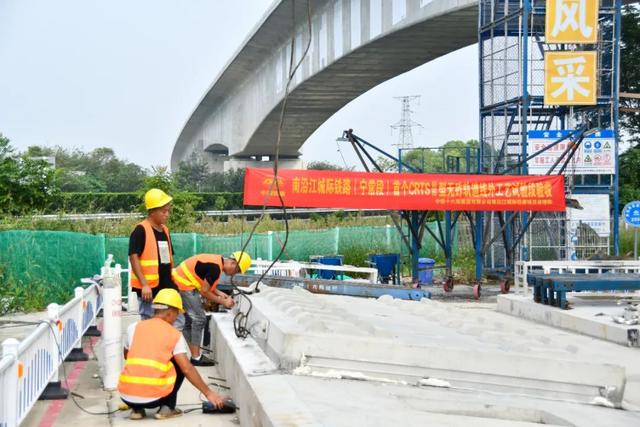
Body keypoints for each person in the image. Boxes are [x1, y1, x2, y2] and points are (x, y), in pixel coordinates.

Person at [118, 289, 226, 420]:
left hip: (126, 396)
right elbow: (187, 369)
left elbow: (127, 355)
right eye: (177, 314)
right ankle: (167, 407)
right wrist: (209, 393)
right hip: (154, 399)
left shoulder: (133, 327)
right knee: (180, 363)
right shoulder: (173, 334)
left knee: (138, 359)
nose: (177, 318)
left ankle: (137, 410)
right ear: (170, 313)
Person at [172, 251, 251, 366]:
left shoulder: (216, 261)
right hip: (183, 285)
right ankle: (196, 357)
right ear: (233, 263)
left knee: (189, 321)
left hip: (180, 282)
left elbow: (206, 283)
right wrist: (223, 301)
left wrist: (219, 293)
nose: (234, 274)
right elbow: (204, 291)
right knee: (199, 319)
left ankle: (195, 355)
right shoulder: (215, 269)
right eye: (237, 270)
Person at [129, 189, 177, 320]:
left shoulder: (165, 230)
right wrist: (144, 284)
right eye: (163, 211)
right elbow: (133, 258)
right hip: (149, 289)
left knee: (170, 320)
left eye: (168, 211)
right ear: (152, 211)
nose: (167, 214)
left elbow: (168, 257)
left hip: (165, 285)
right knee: (149, 321)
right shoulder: (140, 230)